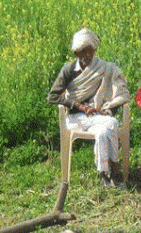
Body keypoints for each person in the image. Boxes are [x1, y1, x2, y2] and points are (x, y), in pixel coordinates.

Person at [47, 28, 130, 187]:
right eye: (83, 52)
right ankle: (113, 169)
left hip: (98, 116)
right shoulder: (68, 70)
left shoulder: (104, 67)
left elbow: (117, 93)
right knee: (109, 126)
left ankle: (105, 172)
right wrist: (78, 105)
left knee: (106, 127)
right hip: (76, 117)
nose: (87, 56)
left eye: (90, 52)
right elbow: (53, 96)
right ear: (76, 53)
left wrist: (107, 109)